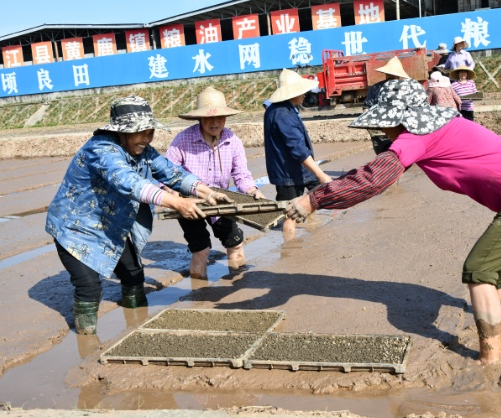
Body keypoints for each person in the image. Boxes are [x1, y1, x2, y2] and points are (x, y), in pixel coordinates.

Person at [284, 79, 501, 365]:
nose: (383, 130)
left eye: (384, 123)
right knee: (495, 265)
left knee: (480, 269)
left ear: (398, 117)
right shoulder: (438, 124)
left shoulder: (416, 136)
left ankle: (490, 358)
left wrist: (312, 200)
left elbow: (372, 178)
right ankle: (500, 321)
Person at [46, 95, 232, 335]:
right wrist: (176, 202)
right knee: (89, 287)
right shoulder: (101, 149)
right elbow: (129, 183)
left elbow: (171, 172)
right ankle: (87, 339)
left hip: (109, 225)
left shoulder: (142, 150)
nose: (146, 138)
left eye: (150, 131)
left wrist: (207, 192)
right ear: (122, 131)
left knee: (134, 274)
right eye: (140, 132)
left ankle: (136, 328)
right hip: (75, 229)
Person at [166, 86, 264, 279]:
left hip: (221, 199)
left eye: (220, 117)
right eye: (209, 118)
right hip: (191, 202)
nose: (215, 122)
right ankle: (199, 293)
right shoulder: (182, 140)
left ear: (226, 118)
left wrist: (253, 191)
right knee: (201, 250)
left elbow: (241, 174)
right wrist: (173, 196)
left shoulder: (232, 140)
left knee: (235, 242)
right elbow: (167, 173)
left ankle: (239, 285)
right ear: (200, 119)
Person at [264, 68, 332, 241]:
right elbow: (298, 149)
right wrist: (321, 174)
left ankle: (310, 226)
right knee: (289, 215)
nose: (305, 94)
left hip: (300, 171)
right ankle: (291, 249)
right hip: (288, 173)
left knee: (318, 196)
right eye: (301, 91)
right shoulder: (282, 114)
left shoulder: (285, 109)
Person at [364, 56, 410, 154]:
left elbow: (366, 108)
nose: (390, 76)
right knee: (388, 153)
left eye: (392, 74)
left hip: (396, 126)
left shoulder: (404, 88)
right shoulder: (376, 88)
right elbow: (367, 107)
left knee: (393, 153)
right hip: (384, 127)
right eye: (389, 74)